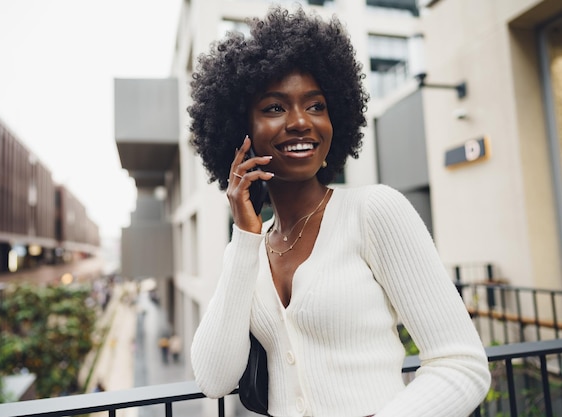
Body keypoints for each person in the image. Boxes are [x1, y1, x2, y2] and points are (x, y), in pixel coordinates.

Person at [189, 6, 491, 417]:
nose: (300, 122)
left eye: (315, 106)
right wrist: (244, 236)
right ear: (240, 131)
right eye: (275, 108)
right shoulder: (246, 249)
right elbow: (213, 379)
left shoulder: (374, 211)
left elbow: (463, 364)